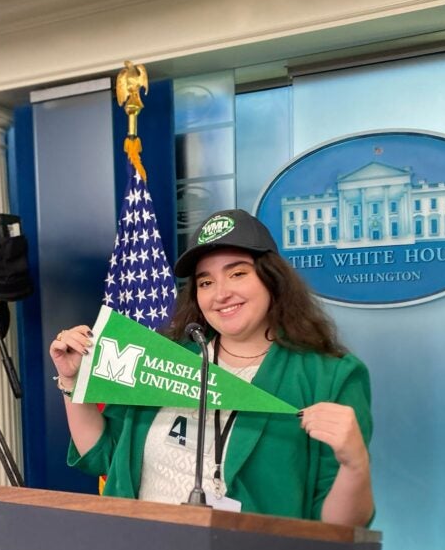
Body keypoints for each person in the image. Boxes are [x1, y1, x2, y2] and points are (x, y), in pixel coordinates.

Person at [49, 208, 373, 527]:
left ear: (272, 279)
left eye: (238, 273)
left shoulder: (329, 376)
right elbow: (103, 452)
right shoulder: (167, 358)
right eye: (205, 282)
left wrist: (355, 464)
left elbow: (339, 525)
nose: (221, 294)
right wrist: (72, 379)